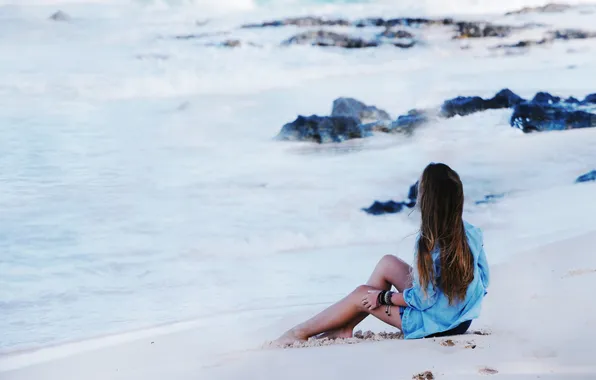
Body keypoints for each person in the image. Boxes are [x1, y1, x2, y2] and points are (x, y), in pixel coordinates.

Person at [274, 162, 490, 346]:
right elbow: (484, 280)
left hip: (435, 326)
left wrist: (384, 297)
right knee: (387, 263)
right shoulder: (471, 232)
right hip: (461, 319)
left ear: (425, 201)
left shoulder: (427, 243)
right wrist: (450, 299)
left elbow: (423, 301)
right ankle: (345, 327)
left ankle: (299, 333)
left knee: (362, 294)